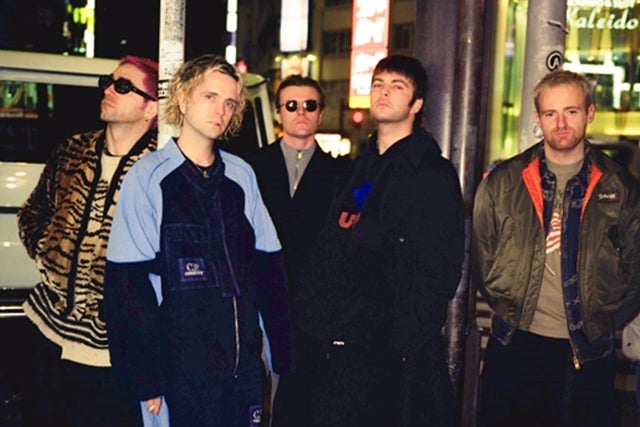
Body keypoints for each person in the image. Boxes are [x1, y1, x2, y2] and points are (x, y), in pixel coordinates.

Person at [103, 54, 293, 427]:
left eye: (230, 103)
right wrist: (145, 379)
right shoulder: (149, 177)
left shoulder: (242, 175)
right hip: (180, 378)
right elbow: (126, 288)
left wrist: (281, 359)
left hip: (241, 375)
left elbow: (269, 271)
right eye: (210, 96)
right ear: (183, 98)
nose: (221, 110)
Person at [294, 54, 465, 426]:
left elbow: (441, 268)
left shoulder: (431, 174)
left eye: (397, 87)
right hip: (345, 347)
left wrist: (404, 339)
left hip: (395, 356)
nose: (384, 93)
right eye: (378, 84)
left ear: (416, 104)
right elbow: (333, 244)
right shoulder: (360, 167)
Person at [472, 69, 640, 426]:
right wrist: (508, 306)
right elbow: (483, 257)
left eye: (571, 111)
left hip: (588, 349)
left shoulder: (621, 187)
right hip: (515, 342)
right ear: (537, 119)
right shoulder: (504, 182)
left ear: (589, 113)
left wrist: (604, 320)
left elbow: (636, 269)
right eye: (550, 113)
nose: (561, 123)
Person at [18, 55, 159, 427]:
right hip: (49, 327)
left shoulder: (160, 169)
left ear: (151, 108)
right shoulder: (73, 151)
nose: (109, 89)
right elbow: (33, 212)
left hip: (112, 344)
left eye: (123, 86)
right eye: (108, 82)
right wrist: (52, 254)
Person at [247, 74, 350, 426]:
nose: (300, 112)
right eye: (291, 105)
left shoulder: (342, 174)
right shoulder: (251, 167)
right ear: (279, 113)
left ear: (321, 112)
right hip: (256, 299)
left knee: (299, 405)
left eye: (309, 105)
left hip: (314, 310)